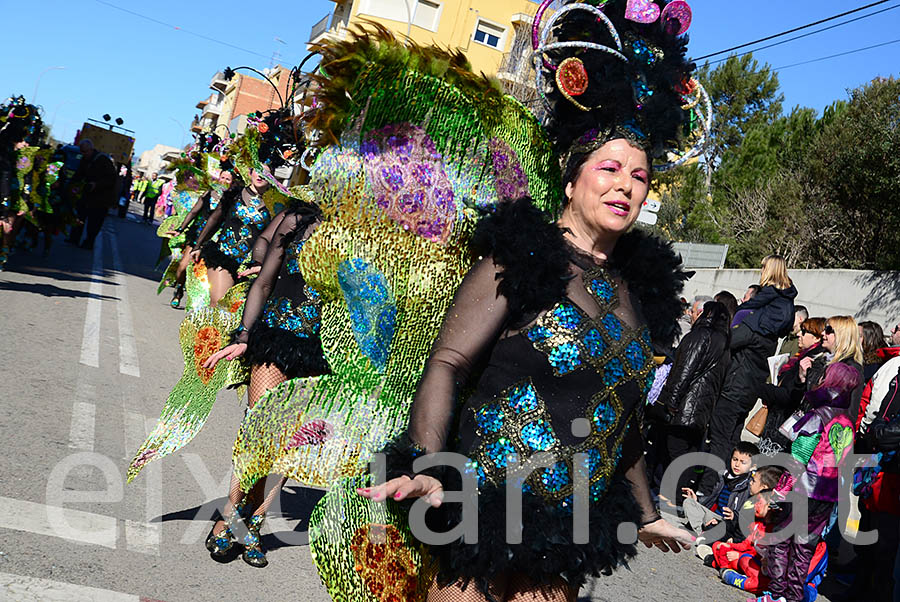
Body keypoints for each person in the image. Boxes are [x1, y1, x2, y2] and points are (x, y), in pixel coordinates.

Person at [356, 2, 703, 597]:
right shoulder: (523, 255)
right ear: (572, 180)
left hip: (563, 532)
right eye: (611, 167)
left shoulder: (639, 291)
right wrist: (429, 462)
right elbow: (449, 362)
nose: (625, 184)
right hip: (480, 506)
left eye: (640, 175)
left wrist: (645, 515)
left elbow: (625, 417)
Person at [199, 200, 327, 567]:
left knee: (291, 438)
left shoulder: (363, 234)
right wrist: (243, 334)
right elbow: (264, 281)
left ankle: (255, 521)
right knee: (259, 429)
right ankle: (228, 514)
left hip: (321, 349)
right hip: (275, 337)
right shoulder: (297, 219)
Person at [759, 362, 860, 602]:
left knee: (782, 541)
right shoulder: (846, 422)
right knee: (804, 547)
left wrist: (780, 492)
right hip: (827, 495)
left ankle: (776, 595)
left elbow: (799, 458)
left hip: (804, 490)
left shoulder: (819, 415)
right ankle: (793, 597)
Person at [702, 256, 797, 493]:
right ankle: (727, 490)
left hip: (734, 386)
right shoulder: (778, 319)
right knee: (732, 439)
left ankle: (707, 489)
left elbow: (728, 342)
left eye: (763, 266)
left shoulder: (759, 320)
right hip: (748, 389)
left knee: (720, 439)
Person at [655, 300, 731, 504]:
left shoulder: (699, 336)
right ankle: (679, 497)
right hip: (702, 410)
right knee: (687, 454)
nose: (693, 315)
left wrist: (670, 402)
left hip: (685, 407)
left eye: (698, 312)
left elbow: (683, 371)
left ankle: (671, 497)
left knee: (675, 451)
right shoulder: (724, 343)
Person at [191, 166, 274, 307]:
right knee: (220, 302)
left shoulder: (274, 204)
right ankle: (209, 328)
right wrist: (198, 245)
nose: (261, 176)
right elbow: (214, 220)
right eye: (257, 170)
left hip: (249, 266)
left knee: (235, 312)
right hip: (223, 256)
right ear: (250, 172)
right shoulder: (234, 194)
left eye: (266, 173)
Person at [756, 317, 828, 455]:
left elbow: (790, 395)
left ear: (816, 338)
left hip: (785, 425)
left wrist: (760, 389)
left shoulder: (812, 361)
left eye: (804, 331)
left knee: (770, 471)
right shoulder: (802, 356)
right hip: (777, 422)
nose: (798, 334)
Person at [166, 169, 236, 308]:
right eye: (222, 177)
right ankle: (179, 289)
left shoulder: (233, 199)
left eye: (228, 179)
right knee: (183, 267)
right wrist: (181, 229)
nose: (224, 181)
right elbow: (193, 212)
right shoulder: (209, 193)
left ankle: (203, 304)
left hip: (216, 240)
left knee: (205, 276)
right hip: (198, 236)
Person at [682, 442, 759, 545]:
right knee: (688, 502)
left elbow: (748, 513)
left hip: (728, 524)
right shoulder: (724, 476)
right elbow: (711, 499)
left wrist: (734, 516)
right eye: (735, 459)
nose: (737, 464)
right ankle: (701, 533)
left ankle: (706, 535)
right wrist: (697, 500)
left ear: (752, 466)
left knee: (720, 529)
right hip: (713, 516)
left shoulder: (749, 486)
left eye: (743, 462)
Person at [801, 316, 864, 422]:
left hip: (827, 432)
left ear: (842, 335)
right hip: (809, 425)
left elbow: (827, 403)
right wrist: (802, 377)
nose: (822, 333)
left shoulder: (849, 368)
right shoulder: (820, 360)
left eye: (829, 330)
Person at [66, 139, 117, 250]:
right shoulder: (84, 160)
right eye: (82, 152)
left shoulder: (103, 160)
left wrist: (97, 184)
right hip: (87, 194)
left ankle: (89, 242)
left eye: (85, 152)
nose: (84, 154)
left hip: (101, 198)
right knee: (79, 216)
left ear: (91, 149)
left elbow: (112, 179)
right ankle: (74, 238)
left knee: (94, 222)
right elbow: (78, 174)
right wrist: (71, 185)